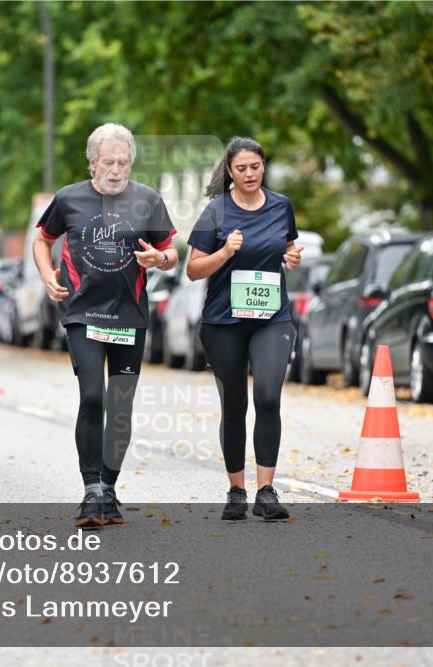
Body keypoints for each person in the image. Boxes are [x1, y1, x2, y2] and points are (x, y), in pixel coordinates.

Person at [33, 123, 178, 527]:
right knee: (93, 394)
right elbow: (42, 238)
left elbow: (171, 252)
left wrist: (159, 260)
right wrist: (47, 274)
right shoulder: (70, 199)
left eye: (124, 162)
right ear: (93, 163)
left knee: (120, 405)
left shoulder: (147, 200)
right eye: (109, 162)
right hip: (83, 313)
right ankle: (91, 486)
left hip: (130, 315)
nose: (116, 170)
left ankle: (109, 488)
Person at [186, 137, 302, 521]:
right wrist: (224, 252)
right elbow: (193, 269)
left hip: (271, 318)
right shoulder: (216, 212)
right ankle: (237, 490)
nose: (249, 174)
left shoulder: (282, 206)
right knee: (234, 404)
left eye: (255, 167)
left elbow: (287, 248)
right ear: (230, 172)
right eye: (241, 169)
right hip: (225, 321)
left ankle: (266, 491)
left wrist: (292, 256)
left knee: (268, 396)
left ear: (263, 167)